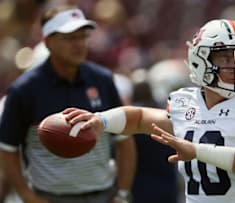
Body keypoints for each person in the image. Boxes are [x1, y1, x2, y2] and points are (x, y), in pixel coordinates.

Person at [64, 19, 235, 203]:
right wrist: (99, 120)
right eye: (225, 57)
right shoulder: (186, 103)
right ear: (200, 59)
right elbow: (139, 118)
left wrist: (197, 151)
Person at [0, 5, 136, 203]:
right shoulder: (24, 90)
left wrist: (123, 193)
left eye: (83, 37)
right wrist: (25, 194)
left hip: (102, 195)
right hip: (48, 197)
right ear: (48, 42)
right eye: (69, 38)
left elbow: (125, 138)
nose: (79, 44)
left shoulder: (103, 80)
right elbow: (7, 148)